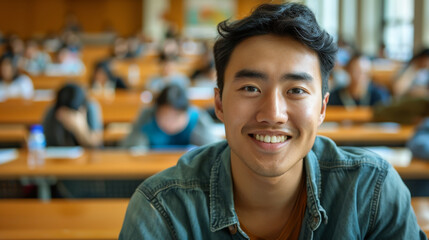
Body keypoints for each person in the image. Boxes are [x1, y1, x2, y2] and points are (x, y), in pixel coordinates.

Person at [120, 3, 425, 239]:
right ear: (219, 104)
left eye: (296, 90)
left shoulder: (371, 193)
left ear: (322, 109)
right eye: (251, 88)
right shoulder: (163, 209)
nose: (273, 114)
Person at [121, 84, 219, 150]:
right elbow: (130, 149)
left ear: (186, 112)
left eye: (176, 116)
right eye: (165, 116)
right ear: (156, 110)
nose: (170, 122)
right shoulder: (147, 117)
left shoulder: (197, 118)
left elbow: (214, 148)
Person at [42, 82, 103, 148]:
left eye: (71, 113)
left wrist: (81, 129)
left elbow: (97, 146)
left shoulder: (90, 107)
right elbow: (49, 144)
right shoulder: (52, 111)